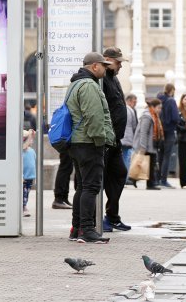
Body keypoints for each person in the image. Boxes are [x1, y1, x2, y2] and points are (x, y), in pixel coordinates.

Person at [67, 52, 115, 243]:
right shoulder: (88, 85)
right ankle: (87, 230)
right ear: (95, 66)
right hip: (89, 143)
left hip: (78, 143)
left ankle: (77, 229)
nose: (106, 68)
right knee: (91, 187)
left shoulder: (75, 83)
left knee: (83, 187)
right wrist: (100, 141)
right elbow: (94, 117)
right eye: (103, 65)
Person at [101, 47, 131, 233]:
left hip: (115, 139)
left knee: (119, 174)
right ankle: (99, 219)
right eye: (118, 62)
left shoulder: (113, 78)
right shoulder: (102, 79)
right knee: (101, 179)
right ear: (107, 60)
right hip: (106, 139)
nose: (120, 65)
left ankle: (112, 216)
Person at [133, 98, 163, 190]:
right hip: (146, 145)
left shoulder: (154, 115)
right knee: (147, 164)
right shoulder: (147, 116)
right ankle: (148, 183)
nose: (160, 110)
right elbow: (143, 132)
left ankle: (147, 182)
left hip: (151, 144)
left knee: (150, 164)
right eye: (158, 108)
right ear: (152, 107)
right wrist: (143, 147)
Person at [156, 83, 179, 189]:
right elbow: (175, 117)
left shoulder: (159, 99)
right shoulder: (171, 101)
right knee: (167, 156)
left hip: (160, 131)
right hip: (169, 131)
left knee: (160, 156)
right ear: (172, 90)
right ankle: (163, 180)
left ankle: (157, 178)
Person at [121, 94, 138, 186]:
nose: (134, 104)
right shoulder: (130, 110)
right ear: (129, 101)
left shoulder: (121, 108)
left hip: (121, 138)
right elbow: (135, 125)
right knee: (126, 158)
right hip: (128, 139)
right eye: (134, 102)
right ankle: (125, 178)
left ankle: (123, 178)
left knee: (123, 158)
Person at [22, 129, 36, 217]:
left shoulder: (32, 151)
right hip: (23, 177)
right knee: (24, 193)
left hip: (30, 177)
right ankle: (24, 207)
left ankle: (24, 205)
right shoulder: (20, 151)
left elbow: (34, 163)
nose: (31, 140)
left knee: (27, 193)